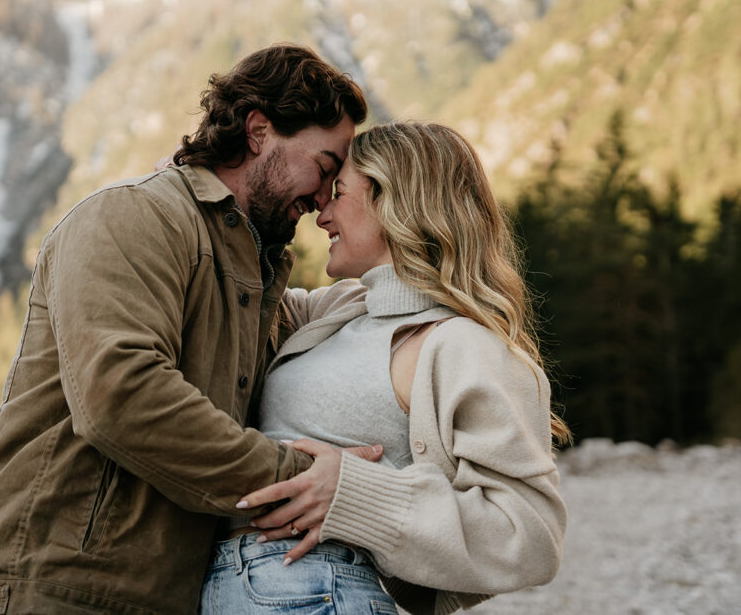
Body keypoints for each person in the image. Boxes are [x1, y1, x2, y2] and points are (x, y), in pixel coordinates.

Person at [0, 44, 373, 614]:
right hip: (45, 588)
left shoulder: (254, 279)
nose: (322, 200)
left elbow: (339, 312)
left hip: (151, 597)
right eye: (324, 167)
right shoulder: (131, 218)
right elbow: (122, 395)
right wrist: (301, 480)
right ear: (260, 131)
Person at [200, 122, 570, 614]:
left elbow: (531, 536)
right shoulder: (340, 312)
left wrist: (355, 496)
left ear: (391, 201)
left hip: (317, 592)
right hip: (232, 588)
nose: (322, 214)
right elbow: (235, 295)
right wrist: (196, 186)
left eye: (339, 193)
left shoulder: (462, 345)